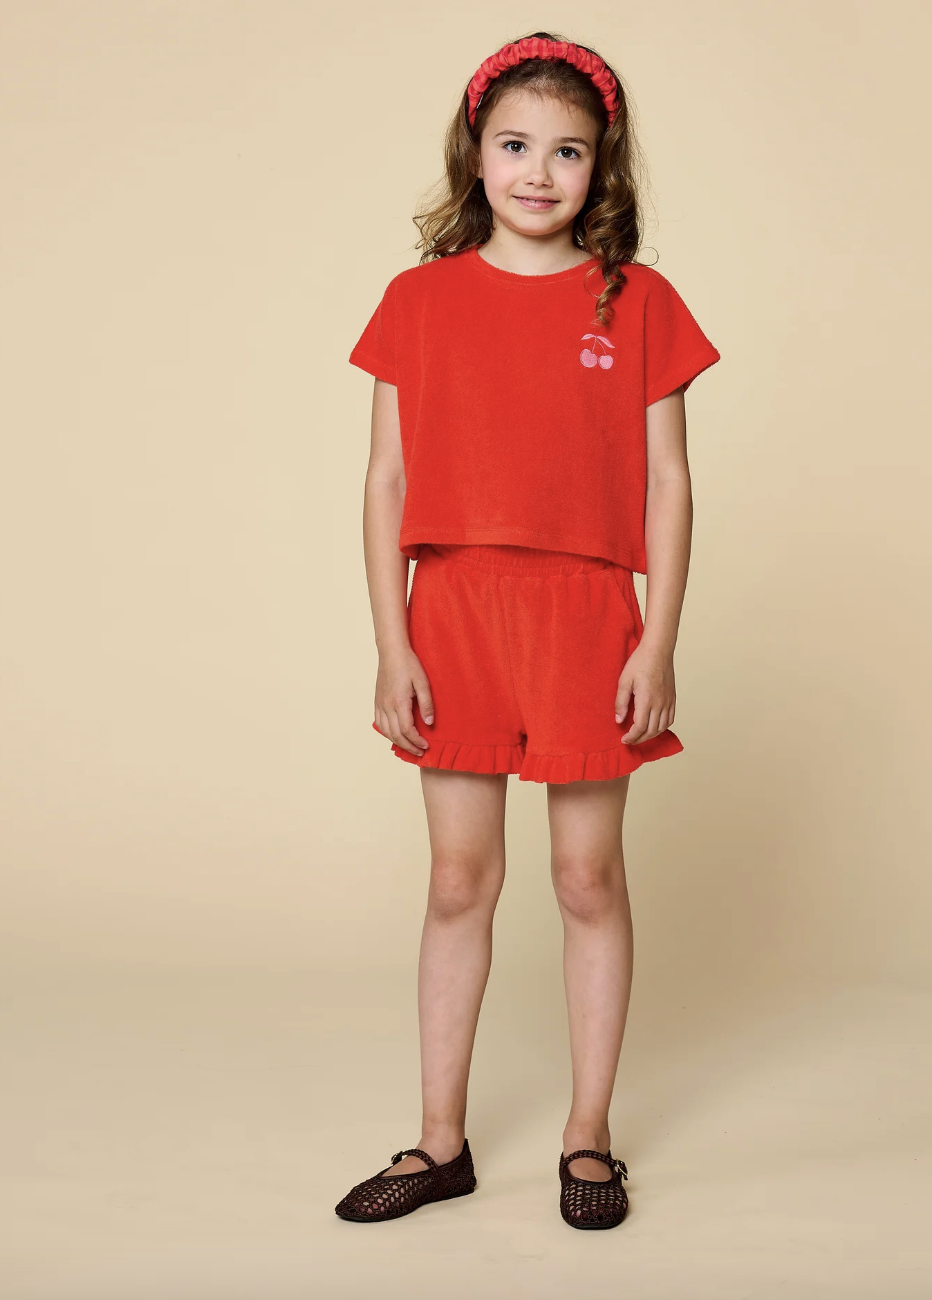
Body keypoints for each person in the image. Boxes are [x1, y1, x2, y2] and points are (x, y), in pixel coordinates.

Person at [334, 31, 720, 1230]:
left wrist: (655, 639)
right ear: (475, 154)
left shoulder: (637, 301)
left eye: (566, 150)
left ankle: (586, 1134)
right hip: (452, 607)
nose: (537, 172)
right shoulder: (417, 300)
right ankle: (438, 1140)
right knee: (459, 877)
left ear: (600, 165)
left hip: (586, 613)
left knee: (584, 874)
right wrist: (392, 642)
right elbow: (386, 481)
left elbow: (669, 482)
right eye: (513, 145)